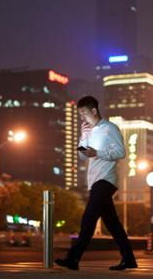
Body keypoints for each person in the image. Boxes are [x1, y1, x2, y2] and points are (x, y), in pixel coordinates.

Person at [55, 96, 137, 271]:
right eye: (80, 114)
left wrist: (97, 152)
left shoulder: (110, 128)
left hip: (106, 179)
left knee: (88, 218)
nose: (82, 117)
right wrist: (84, 137)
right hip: (95, 180)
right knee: (113, 224)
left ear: (94, 111)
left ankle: (73, 258)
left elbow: (121, 152)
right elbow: (83, 155)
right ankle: (129, 259)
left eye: (84, 113)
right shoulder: (89, 131)